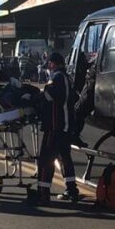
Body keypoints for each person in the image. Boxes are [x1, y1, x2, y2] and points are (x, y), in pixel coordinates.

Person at [36, 52, 80, 204]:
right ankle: (71, 189)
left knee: (46, 159)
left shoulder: (57, 78)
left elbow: (49, 97)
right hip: (65, 126)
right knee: (64, 158)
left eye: (49, 65)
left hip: (55, 126)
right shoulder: (67, 78)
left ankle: (43, 193)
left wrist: (37, 95)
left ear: (52, 64)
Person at [71, 52, 98, 146]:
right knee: (78, 110)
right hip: (90, 87)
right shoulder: (94, 63)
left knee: (78, 110)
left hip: (91, 88)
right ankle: (74, 135)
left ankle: (73, 135)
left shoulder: (95, 64)